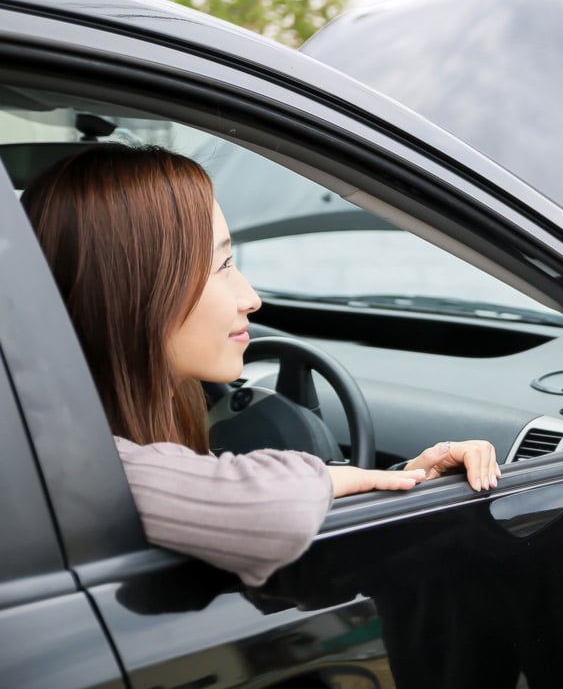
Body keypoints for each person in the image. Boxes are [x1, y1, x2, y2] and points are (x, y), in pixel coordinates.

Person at [22, 142, 501, 587]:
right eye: (222, 265)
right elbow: (277, 512)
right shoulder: (75, 468)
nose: (250, 298)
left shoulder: (75, 436)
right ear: (132, 294)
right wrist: (351, 476)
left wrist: (406, 480)